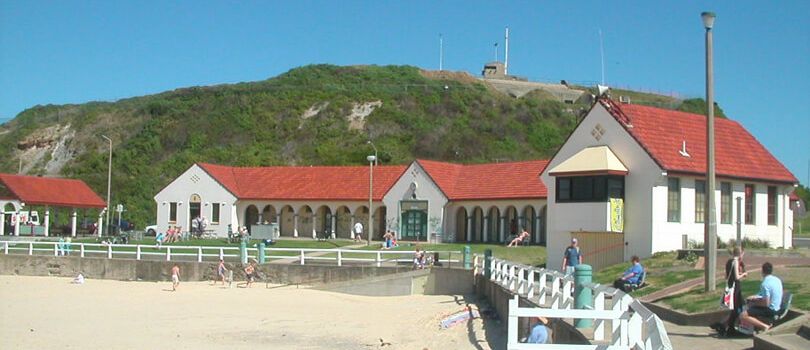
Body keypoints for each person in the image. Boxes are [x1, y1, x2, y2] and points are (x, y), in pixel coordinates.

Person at [712, 247, 748, 336]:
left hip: (730, 286)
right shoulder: (735, 262)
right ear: (740, 254)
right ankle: (729, 328)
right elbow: (736, 277)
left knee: (737, 308)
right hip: (736, 287)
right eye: (743, 254)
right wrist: (743, 274)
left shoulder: (729, 262)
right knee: (737, 308)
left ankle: (724, 325)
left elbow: (727, 276)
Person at [738, 262, 783, 332]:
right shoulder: (777, 280)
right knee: (751, 305)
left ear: (762, 271)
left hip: (771, 310)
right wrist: (754, 297)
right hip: (778, 307)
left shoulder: (765, 284)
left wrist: (754, 302)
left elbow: (766, 303)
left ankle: (765, 327)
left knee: (743, 315)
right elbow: (767, 295)